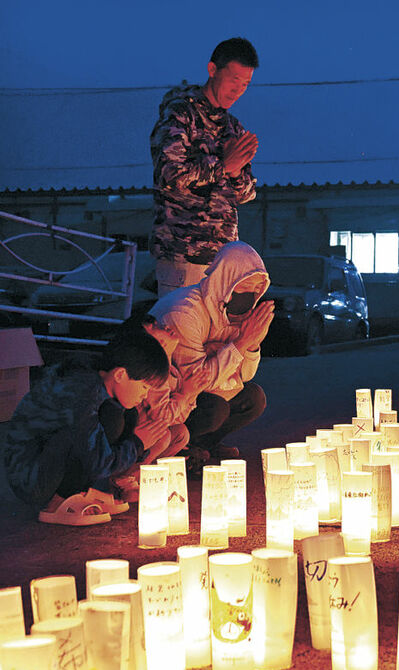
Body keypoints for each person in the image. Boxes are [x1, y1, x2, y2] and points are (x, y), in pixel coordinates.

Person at [1, 332, 170, 526]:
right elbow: (95, 459)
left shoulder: (96, 382)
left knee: (125, 413)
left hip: (45, 463)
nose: (145, 395)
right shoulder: (81, 393)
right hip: (31, 479)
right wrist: (138, 443)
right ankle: (56, 503)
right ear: (120, 374)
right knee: (113, 418)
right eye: (144, 387)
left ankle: (83, 492)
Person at [149, 240, 273, 473]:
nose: (251, 296)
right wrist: (241, 343)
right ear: (225, 282)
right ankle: (182, 449)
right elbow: (197, 380)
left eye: (257, 290)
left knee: (254, 398)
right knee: (215, 408)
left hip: (199, 389)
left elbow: (245, 376)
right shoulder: (185, 311)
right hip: (166, 397)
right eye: (244, 287)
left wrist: (252, 344)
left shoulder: (238, 313)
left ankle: (203, 445)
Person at [150, 37, 260, 297]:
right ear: (212, 70)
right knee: (181, 336)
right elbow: (169, 174)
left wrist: (234, 173)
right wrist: (223, 165)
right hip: (183, 257)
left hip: (224, 262)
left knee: (218, 338)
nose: (238, 90)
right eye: (234, 80)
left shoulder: (233, 127)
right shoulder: (181, 114)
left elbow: (245, 195)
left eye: (245, 84)